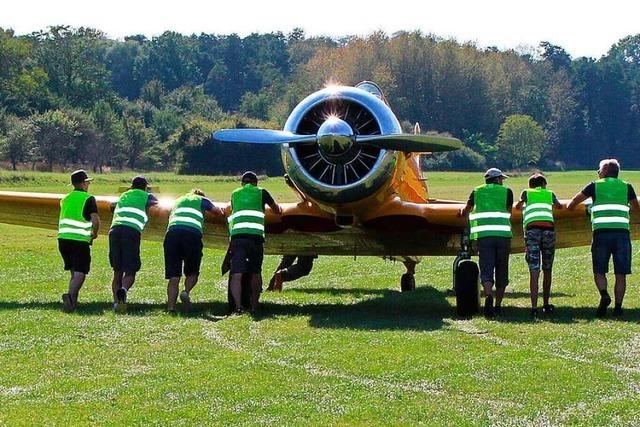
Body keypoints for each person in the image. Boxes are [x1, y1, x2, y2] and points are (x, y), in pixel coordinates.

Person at [567, 159, 639, 317]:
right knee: (621, 274)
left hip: (601, 234)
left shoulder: (594, 185)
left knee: (599, 270)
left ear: (605, 171)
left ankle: (604, 295)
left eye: (599, 170)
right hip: (622, 234)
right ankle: (618, 308)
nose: (598, 173)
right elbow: (636, 208)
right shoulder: (627, 186)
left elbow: (571, 205)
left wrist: (590, 208)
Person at [459, 168, 513, 318]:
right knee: (502, 269)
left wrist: (461, 213)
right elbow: (510, 212)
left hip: (483, 237)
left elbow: (466, 210)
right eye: (501, 179)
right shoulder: (507, 192)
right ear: (497, 179)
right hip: (503, 236)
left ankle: (488, 294)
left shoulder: (476, 191)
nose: (502, 181)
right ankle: (497, 306)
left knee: (487, 268)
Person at [227, 171, 281, 313]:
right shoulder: (262, 192)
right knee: (255, 272)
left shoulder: (235, 193)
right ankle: (255, 305)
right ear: (256, 183)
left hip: (237, 237)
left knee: (237, 273)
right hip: (255, 238)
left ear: (242, 183)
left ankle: (238, 307)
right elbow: (276, 210)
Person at [164, 189, 221, 313]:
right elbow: (218, 212)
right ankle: (186, 291)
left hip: (172, 235)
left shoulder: (177, 200)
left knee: (174, 276)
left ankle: (171, 308)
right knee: (192, 271)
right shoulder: (202, 200)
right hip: (191, 235)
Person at [515, 173, 563, 318]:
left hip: (532, 231)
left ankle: (534, 307)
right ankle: (546, 303)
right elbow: (559, 207)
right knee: (547, 268)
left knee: (534, 269)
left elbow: (518, 207)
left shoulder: (526, 193)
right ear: (544, 184)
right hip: (548, 230)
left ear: (530, 185)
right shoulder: (550, 194)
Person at [109, 176, 158, 312]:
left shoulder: (124, 195)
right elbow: (157, 204)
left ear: (131, 186)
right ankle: (123, 290)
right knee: (131, 269)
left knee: (117, 270)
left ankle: (116, 303)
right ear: (145, 187)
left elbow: (112, 205)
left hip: (114, 230)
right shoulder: (147, 196)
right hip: (131, 232)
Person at [58, 170, 100, 312]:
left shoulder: (65, 199)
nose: (88, 184)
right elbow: (95, 219)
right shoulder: (88, 199)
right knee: (81, 272)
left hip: (63, 240)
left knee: (73, 271)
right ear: (83, 183)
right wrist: (94, 233)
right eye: (87, 182)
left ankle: (73, 302)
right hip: (79, 240)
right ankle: (70, 297)